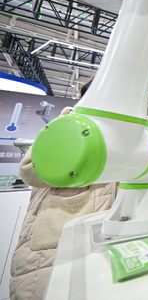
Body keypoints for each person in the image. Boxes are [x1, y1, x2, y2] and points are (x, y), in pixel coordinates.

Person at [10, 79, 118, 300]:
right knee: (40, 288)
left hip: (106, 239)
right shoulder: (67, 123)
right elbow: (30, 170)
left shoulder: (126, 132)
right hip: (56, 235)